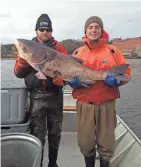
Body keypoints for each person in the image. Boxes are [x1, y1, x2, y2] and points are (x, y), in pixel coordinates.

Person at [56, 16, 131, 167]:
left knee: (107, 143)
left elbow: (127, 74)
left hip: (106, 104)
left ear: (102, 30)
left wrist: (117, 81)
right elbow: (65, 77)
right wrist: (73, 84)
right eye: (90, 27)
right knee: (85, 143)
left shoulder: (112, 50)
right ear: (85, 31)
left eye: (97, 27)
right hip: (84, 104)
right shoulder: (77, 53)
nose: (93, 30)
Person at [14, 14, 68, 167]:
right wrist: (24, 60)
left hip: (55, 96)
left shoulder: (59, 48)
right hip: (36, 97)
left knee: (55, 133)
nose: (45, 32)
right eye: (41, 29)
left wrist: (63, 80)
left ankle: (53, 163)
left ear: (51, 31)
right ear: (36, 30)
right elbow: (18, 73)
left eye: (48, 29)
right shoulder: (27, 46)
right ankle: (38, 164)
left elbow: (67, 73)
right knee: (37, 134)